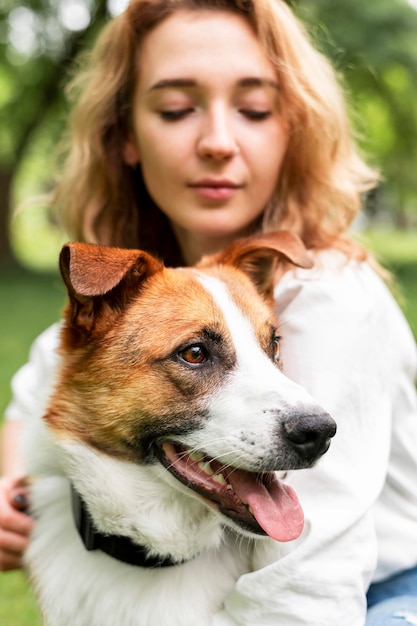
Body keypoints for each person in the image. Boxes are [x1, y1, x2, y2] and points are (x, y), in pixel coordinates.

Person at [1, 0, 417, 623]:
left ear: (293, 128)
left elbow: (312, 589)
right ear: (125, 138)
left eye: (254, 109)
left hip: (377, 595)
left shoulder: (328, 290)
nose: (219, 142)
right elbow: (40, 391)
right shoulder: (142, 299)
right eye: (175, 109)